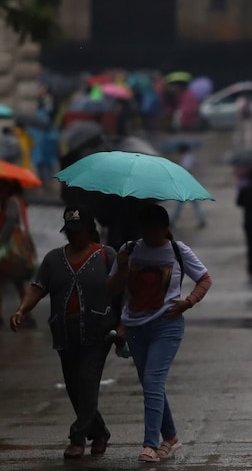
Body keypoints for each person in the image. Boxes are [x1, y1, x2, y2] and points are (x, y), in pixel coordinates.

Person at [9, 206, 118, 459]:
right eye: (70, 231)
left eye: (79, 231)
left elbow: (123, 290)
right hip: (64, 334)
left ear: (91, 231)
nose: (74, 236)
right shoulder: (53, 259)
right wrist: (21, 310)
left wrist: (123, 324)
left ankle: (77, 438)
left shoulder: (106, 255)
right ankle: (99, 433)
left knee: (88, 386)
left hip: (98, 334)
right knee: (74, 389)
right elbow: (37, 288)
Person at [107, 204, 212, 463]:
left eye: (155, 229)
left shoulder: (178, 250)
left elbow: (205, 279)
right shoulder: (129, 250)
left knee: (153, 382)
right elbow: (112, 288)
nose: (150, 235)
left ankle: (150, 444)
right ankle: (171, 438)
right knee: (150, 384)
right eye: (146, 229)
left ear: (166, 228)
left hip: (167, 326)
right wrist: (121, 268)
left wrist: (188, 302)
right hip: (135, 326)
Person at [0, 180, 36, 326]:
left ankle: (25, 315)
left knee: (12, 281)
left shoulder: (12, 201)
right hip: (17, 249)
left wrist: (1, 240)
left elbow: (9, 223)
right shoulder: (17, 201)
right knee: (15, 282)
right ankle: (26, 315)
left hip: (11, 249)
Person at [169, 144, 206, 228]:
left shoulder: (186, 158)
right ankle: (201, 220)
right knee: (193, 204)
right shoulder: (189, 157)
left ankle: (173, 220)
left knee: (180, 204)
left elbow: (186, 170)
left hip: (187, 185)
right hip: (191, 184)